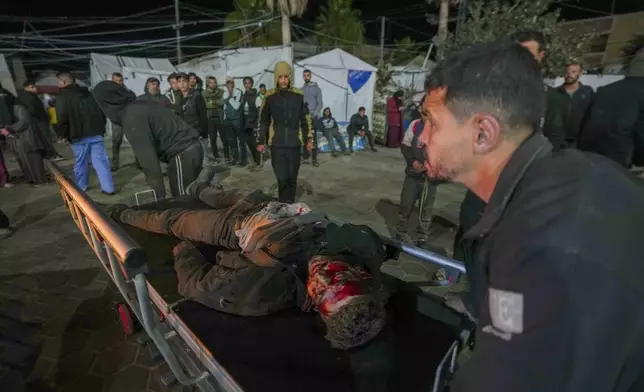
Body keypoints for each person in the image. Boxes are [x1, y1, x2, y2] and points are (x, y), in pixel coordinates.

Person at [420, 39, 644, 392]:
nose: (421, 137)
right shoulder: (573, 176)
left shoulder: (542, 243)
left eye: (430, 122)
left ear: (483, 133)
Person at [104, 172, 388, 349]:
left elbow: (195, 283)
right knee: (221, 195)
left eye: (320, 291)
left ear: (313, 303)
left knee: (174, 220)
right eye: (340, 277)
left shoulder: (264, 288)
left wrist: (185, 252)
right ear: (360, 275)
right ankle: (199, 188)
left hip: (238, 225)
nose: (323, 276)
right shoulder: (364, 248)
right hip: (272, 206)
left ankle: (120, 214)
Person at [93, 80, 203, 200]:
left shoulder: (131, 117)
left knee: (184, 200)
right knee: (190, 195)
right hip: (190, 148)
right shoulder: (137, 106)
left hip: (182, 152)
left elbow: (148, 161)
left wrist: (159, 197)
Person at [257, 61, 312, 203]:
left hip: (294, 144)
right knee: (282, 179)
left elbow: (305, 119)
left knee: (292, 179)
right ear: (276, 78)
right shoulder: (270, 97)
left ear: (290, 78)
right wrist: (261, 140)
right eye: (280, 77)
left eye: (286, 77)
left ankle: (290, 206)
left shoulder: (298, 96)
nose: (283, 80)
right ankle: (283, 205)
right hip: (277, 144)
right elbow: (263, 120)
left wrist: (309, 140)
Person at [56, 72, 115, 195]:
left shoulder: (62, 96)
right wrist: (101, 128)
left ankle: (82, 187)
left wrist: (64, 135)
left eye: (58, 81)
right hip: (96, 133)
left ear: (64, 82)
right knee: (101, 161)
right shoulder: (89, 94)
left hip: (78, 136)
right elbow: (101, 112)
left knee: (81, 162)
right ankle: (108, 188)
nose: (58, 84)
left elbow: (62, 118)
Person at [578, 75, 644, 168]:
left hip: (590, 151)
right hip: (620, 156)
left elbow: (586, 119)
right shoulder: (641, 90)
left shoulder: (606, 89)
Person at [395, 113, 436, 249]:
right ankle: (400, 233)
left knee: (426, 208)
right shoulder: (415, 125)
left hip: (429, 179)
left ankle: (422, 236)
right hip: (412, 175)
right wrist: (412, 162)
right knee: (406, 204)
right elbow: (405, 146)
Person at [1, 100, 48, 187]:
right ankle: (31, 179)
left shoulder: (19, 108)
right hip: (17, 139)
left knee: (33, 160)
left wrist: (8, 128)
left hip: (28, 139)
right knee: (23, 161)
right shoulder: (7, 110)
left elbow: (25, 122)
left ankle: (40, 180)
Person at [548, 62, 595, 149]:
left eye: (573, 72)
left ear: (580, 73)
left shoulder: (588, 92)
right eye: (567, 72)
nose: (569, 75)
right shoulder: (554, 93)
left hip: (577, 141)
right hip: (555, 140)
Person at [18, 80, 64, 161]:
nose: (36, 89)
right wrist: (45, 117)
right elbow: (34, 110)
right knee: (47, 138)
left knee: (43, 139)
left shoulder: (22, 96)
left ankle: (50, 154)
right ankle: (53, 155)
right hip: (40, 121)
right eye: (35, 87)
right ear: (30, 86)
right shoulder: (30, 97)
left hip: (36, 121)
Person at [109, 72, 136, 171]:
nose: (118, 83)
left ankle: (139, 162)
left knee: (135, 141)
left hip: (129, 119)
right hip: (117, 121)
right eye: (115, 81)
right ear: (112, 81)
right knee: (116, 142)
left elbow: (134, 101)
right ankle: (115, 164)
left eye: (120, 81)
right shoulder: (109, 93)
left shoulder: (127, 91)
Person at [202, 76, 227, 164]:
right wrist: (216, 102)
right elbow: (206, 105)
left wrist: (213, 102)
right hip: (210, 119)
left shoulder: (221, 91)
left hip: (220, 117)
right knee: (213, 139)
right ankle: (216, 155)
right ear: (208, 84)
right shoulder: (204, 93)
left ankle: (227, 155)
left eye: (214, 82)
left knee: (224, 137)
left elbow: (222, 103)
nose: (213, 84)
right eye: (211, 82)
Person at [302, 69, 324, 166]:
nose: (306, 77)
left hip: (313, 117)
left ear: (310, 76)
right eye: (305, 75)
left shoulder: (316, 88)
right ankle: (305, 158)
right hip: (304, 118)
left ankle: (314, 159)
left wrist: (314, 113)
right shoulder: (302, 89)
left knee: (313, 138)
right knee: (304, 138)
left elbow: (320, 103)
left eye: (308, 75)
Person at [241, 76, 263, 169]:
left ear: (252, 84)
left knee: (256, 144)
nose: (247, 85)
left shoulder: (256, 96)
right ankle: (255, 161)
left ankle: (258, 163)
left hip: (253, 124)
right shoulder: (244, 95)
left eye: (249, 83)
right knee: (249, 144)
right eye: (245, 83)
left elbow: (260, 112)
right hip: (246, 124)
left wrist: (257, 125)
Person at [222, 77, 244, 166]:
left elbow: (236, 106)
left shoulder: (239, 92)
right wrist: (224, 119)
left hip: (237, 120)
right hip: (228, 120)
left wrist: (229, 97)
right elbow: (224, 108)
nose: (229, 84)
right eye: (228, 83)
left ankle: (243, 160)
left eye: (231, 82)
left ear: (233, 83)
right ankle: (235, 158)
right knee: (232, 141)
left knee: (241, 141)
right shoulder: (224, 93)